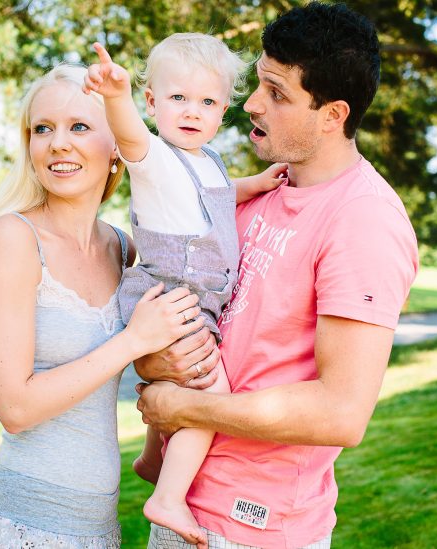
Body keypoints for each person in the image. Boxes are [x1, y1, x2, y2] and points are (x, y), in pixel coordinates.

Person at [134, 3, 420, 548]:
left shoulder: (364, 220)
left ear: (333, 115)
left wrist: (182, 405)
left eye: (278, 93)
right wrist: (154, 356)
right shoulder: (260, 191)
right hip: (185, 504)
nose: (251, 104)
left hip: (257, 527)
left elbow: (341, 411)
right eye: (259, 82)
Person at [0, 64, 205, 549]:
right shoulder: (13, 239)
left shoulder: (122, 248)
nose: (57, 144)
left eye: (79, 127)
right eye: (42, 129)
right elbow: (16, 407)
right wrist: (133, 341)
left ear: (118, 146)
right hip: (22, 525)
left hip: (99, 528)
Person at [83, 33, 285, 548]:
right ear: (152, 102)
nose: (192, 111)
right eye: (177, 98)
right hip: (171, 300)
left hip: (194, 303)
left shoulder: (209, 161)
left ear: (223, 111)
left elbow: (215, 196)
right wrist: (115, 98)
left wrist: (255, 184)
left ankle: (154, 457)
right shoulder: (153, 159)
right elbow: (130, 139)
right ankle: (168, 497)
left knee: (183, 385)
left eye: (207, 102)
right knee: (210, 394)